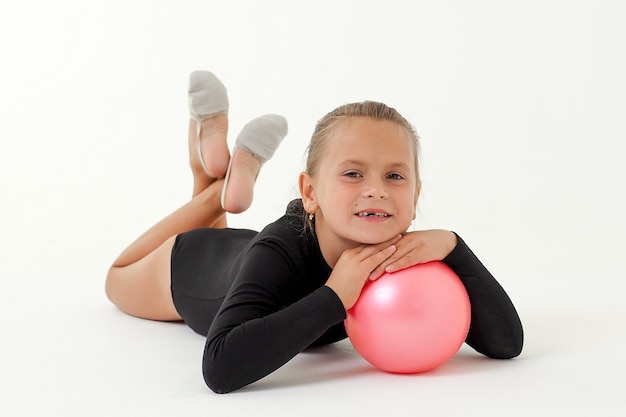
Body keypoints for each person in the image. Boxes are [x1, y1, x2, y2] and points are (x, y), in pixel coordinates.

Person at [105, 70, 524, 394]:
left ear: (415, 197)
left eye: (395, 175)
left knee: (222, 219)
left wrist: (454, 246)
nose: (376, 189)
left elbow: (507, 343)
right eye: (353, 173)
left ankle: (215, 163)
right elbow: (219, 367)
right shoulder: (281, 250)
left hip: (240, 253)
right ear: (310, 192)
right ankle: (219, 192)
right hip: (186, 268)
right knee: (116, 277)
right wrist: (334, 297)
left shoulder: (404, 251)